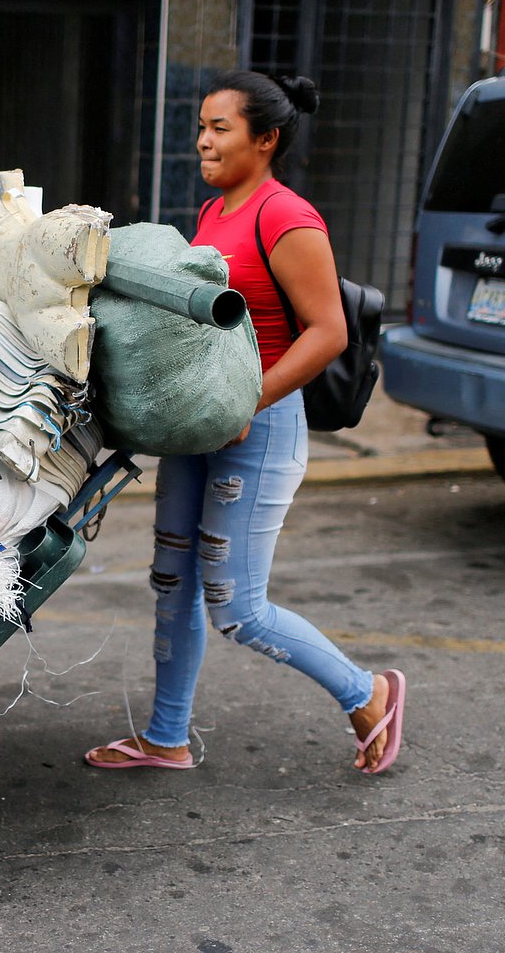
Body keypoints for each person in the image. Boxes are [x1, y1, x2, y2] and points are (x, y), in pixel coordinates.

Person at [85, 70, 405, 775]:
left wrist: (247, 401)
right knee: (172, 583)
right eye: (201, 126)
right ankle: (166, 737)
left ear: (266, 139)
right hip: (201, 428)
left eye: (219, 128)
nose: (203, 140)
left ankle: (369, 691)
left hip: (258, 428)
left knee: (238, 608)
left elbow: (327, 332)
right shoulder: (212, 214)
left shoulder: (286, 217)